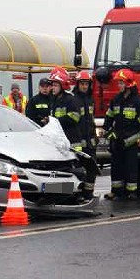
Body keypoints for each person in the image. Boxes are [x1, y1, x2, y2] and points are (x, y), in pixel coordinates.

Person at [104, 68, 140, 200]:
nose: (119, 85)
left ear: (128, 84)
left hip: (131, 140)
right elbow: (109, 116)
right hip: (117, 139)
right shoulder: (116, 99)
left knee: (131, 167)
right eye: (118, 83)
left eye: (121, 83)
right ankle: (116, 191)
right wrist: (107, 130)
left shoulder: (138, 101)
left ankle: (132, 191)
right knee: (116, 166)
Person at [47, 67, 90, 199]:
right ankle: (63, 193)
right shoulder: (54, 101)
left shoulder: (70, 100)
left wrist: (55, 121)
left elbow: (75, 117)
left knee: (75, 169)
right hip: (60, 141)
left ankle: (79, 194)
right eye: (52, 85)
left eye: (55, 85)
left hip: (72, 141)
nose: (52, 88)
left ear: (62, 85)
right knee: (62, 170)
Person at [72, 70, 99, 200]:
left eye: (86, 84)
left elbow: (91, 119)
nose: (84, 86)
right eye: (82, 83)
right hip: (79, 142)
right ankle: (78, 194)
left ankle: (89, 193)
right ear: (77, 84)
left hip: (90, 141)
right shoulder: (73, 99)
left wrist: (95, 136)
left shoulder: (90, 99)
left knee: (92, 169)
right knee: (79, 169)